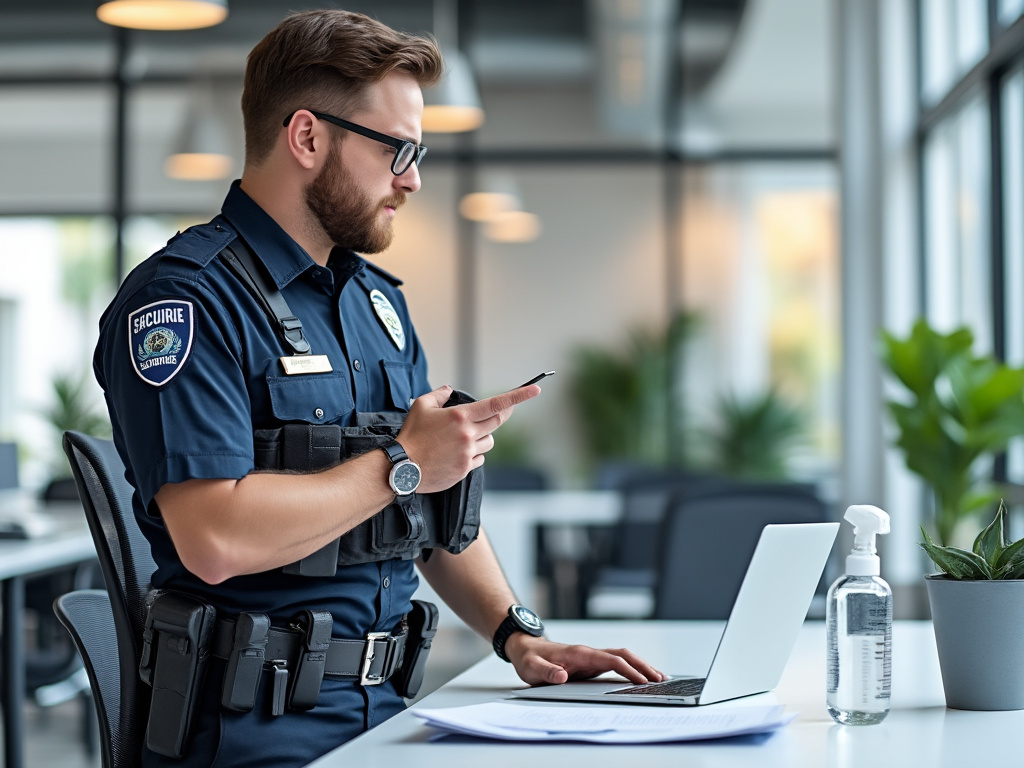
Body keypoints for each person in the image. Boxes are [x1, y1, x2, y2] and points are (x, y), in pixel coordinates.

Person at [94, 9, 663, 767]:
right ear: (307, 137)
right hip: (249, 736)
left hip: (391, 713)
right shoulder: (185, 303)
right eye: (398, 148)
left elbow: (429, 507)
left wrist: (520, 637)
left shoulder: (376, 304)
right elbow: (216, 539)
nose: (414, 177)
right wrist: (401, 462)